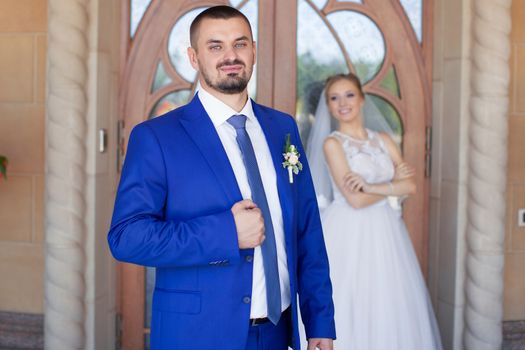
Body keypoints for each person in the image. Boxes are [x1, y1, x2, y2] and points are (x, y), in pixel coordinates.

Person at [107, 6, 335, 350]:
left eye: (240, 44)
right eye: (215, 46)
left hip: (277, 333)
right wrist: (227, 232)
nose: (230, 55)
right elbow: (126, 237)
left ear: (254, 51)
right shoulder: (156, 137)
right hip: (198, 334)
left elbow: (307, 231)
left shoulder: (282, 128)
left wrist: (319, 323)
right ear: (194, 57)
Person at [305, 73, 443, 350]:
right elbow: (355, 200)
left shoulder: (383, 139)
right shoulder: (333, 144)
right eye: (334, 98)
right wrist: (392, 187)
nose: (342, 103)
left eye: (349, 95)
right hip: (348, 230)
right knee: (350, 298)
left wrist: (371, 186)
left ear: (362, 99)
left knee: (387, 302)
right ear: (329, 106)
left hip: (387, 231)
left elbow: (412, 185)